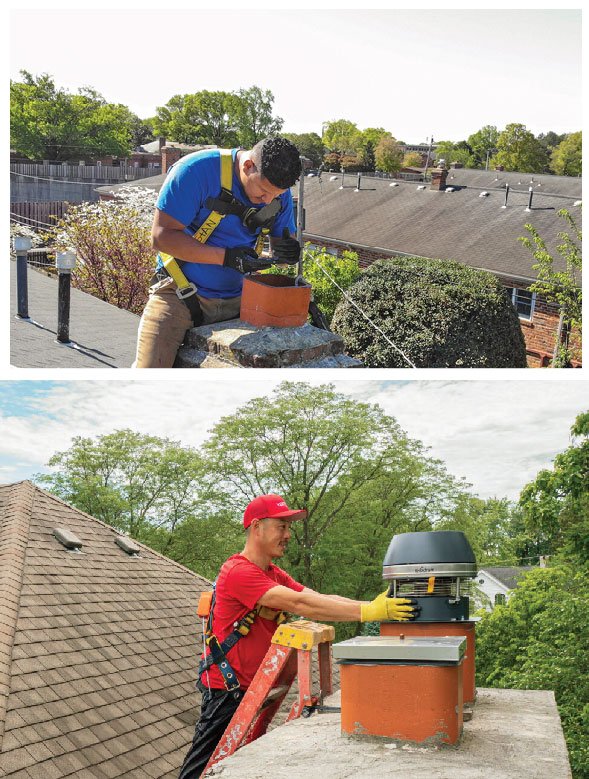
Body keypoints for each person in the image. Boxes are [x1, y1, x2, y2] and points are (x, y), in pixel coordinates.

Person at [178, 493, 417, 779]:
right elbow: (299, 604)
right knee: (200, 770)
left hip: (250, 688)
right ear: (257, 528)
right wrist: (368, 613)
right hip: (227, 691)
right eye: (281, 526)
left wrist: (369, 606)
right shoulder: (238, 572)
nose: (288, 534)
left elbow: (315, 597)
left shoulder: (273, 574)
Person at [134, 137, 303, 368]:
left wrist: (286, 253)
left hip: (241, 300)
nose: (268, 201)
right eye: (263, 192)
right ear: (247, 166)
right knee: (148, 376)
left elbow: (280, 245)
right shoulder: (195, 171)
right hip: (181, 295)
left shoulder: (276, 192)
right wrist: (227, 258)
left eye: (276, 195)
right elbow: (161, 236)